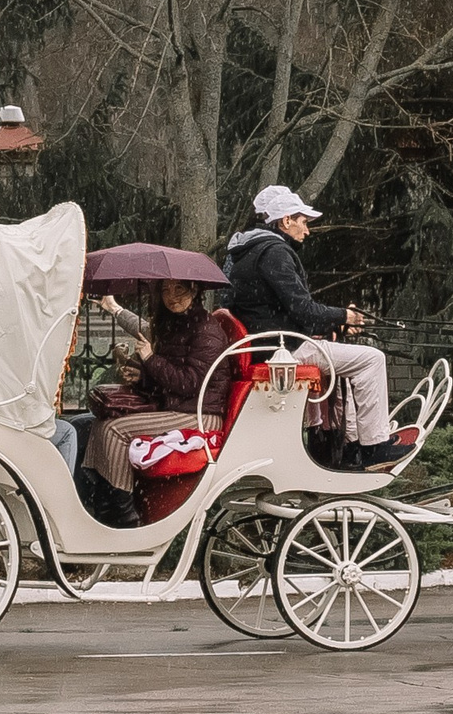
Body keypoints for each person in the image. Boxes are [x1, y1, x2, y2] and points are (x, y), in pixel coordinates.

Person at [223, 184, 411, 471]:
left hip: (266, 346)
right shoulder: (274, 252)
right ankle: (373, 446)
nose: (307, 230)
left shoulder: (242, 252)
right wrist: (344, 316)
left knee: (347, 358)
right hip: (282, 353)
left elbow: (280, 309)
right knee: (372, 359)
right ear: (286, 220)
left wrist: (335, 323)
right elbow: (304, 310)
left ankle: (344, 442)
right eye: (303, 222)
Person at [81, 278, 241, 526]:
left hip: (199, 413)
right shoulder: (177, 324)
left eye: (179, 289)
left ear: (194, 289)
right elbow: (168, 376)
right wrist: (141, 374)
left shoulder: (206, 330)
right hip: (177, 405)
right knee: (97, 423)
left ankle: (123, 516)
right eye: (165, 290)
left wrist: (150, 359)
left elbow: (189, 383)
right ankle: (98, 506)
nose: (171, 296)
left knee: (114, 431)